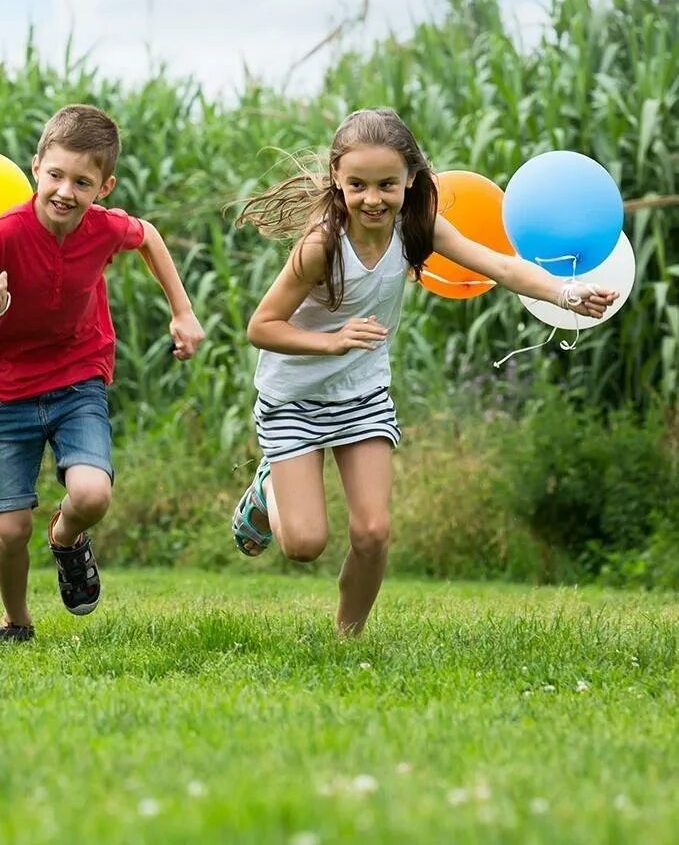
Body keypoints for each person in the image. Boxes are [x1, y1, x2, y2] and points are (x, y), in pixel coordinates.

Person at [232, 108, 617, 634]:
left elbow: (500, 265)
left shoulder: (418, 225)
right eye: (358, 185)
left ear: (410, 179)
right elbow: (262, 326)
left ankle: (347, 641)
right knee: (304, 545)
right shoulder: (321, 246)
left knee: (373, 532)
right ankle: (269, 487)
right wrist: (333, 341)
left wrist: (566, 293)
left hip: (362, 394)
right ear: (337, 182)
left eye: (387, 184)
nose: (373, 199)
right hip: (292, 396)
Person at [0, 104, 206, 642]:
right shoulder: (2, 235)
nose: (65, 191)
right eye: (56, 175)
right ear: (36, 166)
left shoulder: (104, 229)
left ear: (105, 186)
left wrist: (183, 311)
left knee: (92, 495)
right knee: (9, 530)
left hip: (78, 379)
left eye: (82, 182)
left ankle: (66, 538)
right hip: (7, 393)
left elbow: (147, 234)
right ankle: (15, 618)